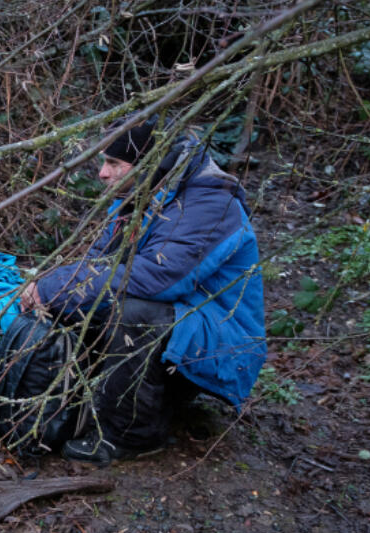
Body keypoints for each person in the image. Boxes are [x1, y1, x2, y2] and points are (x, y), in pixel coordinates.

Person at [19, 115, 266, 465]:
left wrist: (55, 286)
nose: (102, 173)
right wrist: (56, 294)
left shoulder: (211, 204)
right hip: (184, 325)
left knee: (132, 311)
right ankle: (96, 400)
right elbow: (98, 264)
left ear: (150, 162)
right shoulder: (144, 193)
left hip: (225, 342)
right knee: (88, 299)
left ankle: (131, 435)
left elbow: (157, 279)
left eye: (113, 163)